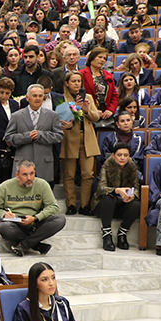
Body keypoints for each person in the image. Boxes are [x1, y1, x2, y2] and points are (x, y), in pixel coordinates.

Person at [0, 160, 66, 257]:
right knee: (4, 227)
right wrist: (4, 214)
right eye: (24, 175)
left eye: (32, 173)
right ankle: (36, 244)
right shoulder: (4, 186)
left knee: (60, 219)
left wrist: (35, 218)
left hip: (35, 221)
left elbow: (53, 207)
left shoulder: (42, 184)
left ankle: (24, 244)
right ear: (17, 175)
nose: (29, 178)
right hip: (15, 223)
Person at [60, 71, 102, 216]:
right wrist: (75, 107)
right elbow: (63, 119)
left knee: (88, 173)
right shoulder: (62, 98)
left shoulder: (88, 97)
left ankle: (85, 205)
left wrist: (86, 110)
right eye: (74, 81)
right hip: (69, 139)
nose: (77, 84)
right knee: (69, 174)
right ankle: (71, 204)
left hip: (87, 138)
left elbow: (96, 117)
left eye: (79, 81)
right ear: (67, 83)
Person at [3, 84, 64, 184]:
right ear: (27, 98)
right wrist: (27, 137)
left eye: (40, 96)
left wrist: (40, 135)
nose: (38, 99)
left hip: (44, 164)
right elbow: (8, 137)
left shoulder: (52, 115)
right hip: (23, 163)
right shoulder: (16, 116)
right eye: (34, 96)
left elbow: (59, 136)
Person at [94, 142, 141, 252]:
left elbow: (137, 187)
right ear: (113, 155)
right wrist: (116, 190)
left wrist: (133, 195)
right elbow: (101, 188)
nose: (122, 158)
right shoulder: (106, 166)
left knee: (136, 204)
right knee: (109, 199)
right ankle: (107, 234)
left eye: (125, 155)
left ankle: (122, 233)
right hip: (105, 206)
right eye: (119, 155)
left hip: (123, 204)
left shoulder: (132, 167)